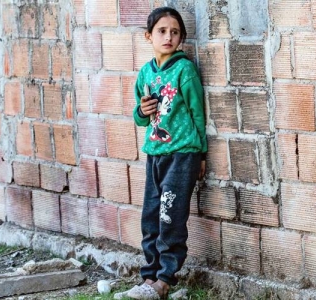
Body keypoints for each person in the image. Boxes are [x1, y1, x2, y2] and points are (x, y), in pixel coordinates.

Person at [125, 6, 207, 300]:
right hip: (155, 153)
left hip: (183, 153)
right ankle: (148, 278)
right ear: (148, 36)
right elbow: (140, 115)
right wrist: (140, 111)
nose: (168, 37)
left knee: (170, 216)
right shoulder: (146, 73)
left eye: (175, 32)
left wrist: (201, 154)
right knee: (151, 216)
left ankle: (164, 281)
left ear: (182, 37)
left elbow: (199, 113)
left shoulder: (184, 70)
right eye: (162, 31)